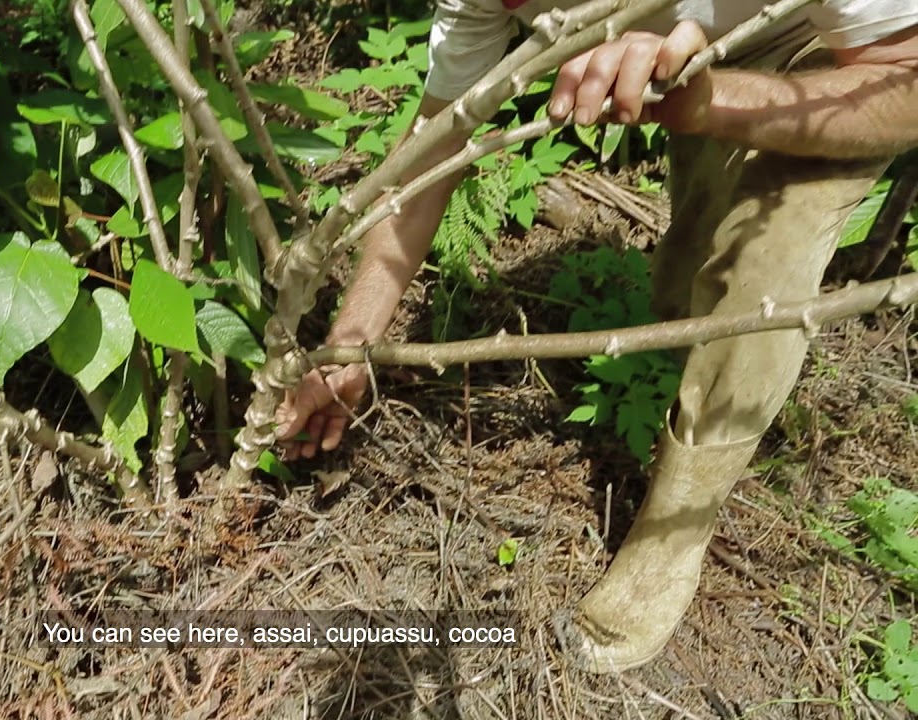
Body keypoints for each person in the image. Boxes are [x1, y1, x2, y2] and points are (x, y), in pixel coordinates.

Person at [275, 0, 918, 672]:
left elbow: (904, 84)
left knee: (764, 261)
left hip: (831, 55)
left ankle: (679, 522)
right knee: (689, 287)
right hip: (684, 60)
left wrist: (711, 101)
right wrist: (352, 343)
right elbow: (434, 148)